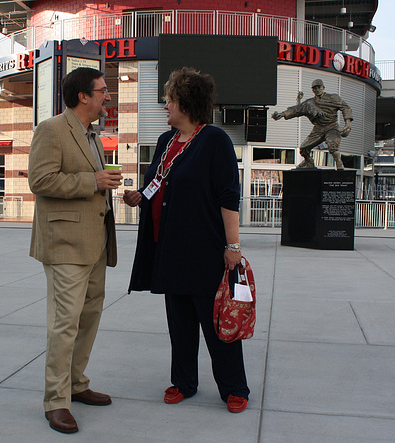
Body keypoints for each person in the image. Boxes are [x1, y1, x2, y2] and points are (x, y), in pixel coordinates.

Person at [124, 67, 250, 413]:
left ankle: (234, 388)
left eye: (170, 100)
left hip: (205, 252)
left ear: (187, 103)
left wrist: (233, 247)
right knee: (180, 325)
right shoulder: (166, 142)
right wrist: (140, 196)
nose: (166, 106)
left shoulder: (215, 141)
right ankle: (184, 382)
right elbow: (157, 184)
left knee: (217, 324)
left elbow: (228, 197)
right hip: (168, 250)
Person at [28, 67, 122, 434]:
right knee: (64, 324)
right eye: (102, 91)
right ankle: (56, 400)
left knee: (89, 317)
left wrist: (111, 187)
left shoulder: (94, 136)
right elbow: (40, 179)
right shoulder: (51, 130)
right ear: (83, 96)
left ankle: (77, 383)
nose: (107, 96)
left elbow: (95, 185)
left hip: (96, 241)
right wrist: (92, 180)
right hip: (65, 244)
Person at [271, 79, 353, 170]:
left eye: (319, 87)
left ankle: (339, 163)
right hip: (318, 129)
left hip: (331, 127)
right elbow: (296, 109)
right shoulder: (310, 103)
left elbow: (346, 108)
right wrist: (281, 114)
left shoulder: (333, 98)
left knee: (332, 145)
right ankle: (308, 162)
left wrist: (347, 124)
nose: (317, 90)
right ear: (312, 90)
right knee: (303, 148)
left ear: (323, 88)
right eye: (315, 88)